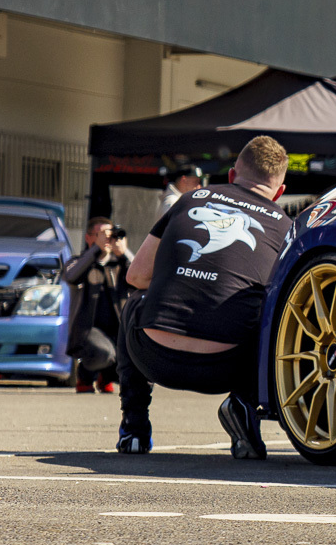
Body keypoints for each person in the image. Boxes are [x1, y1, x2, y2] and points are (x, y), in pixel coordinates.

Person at [116, 137, 291, 459]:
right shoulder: (285, 226)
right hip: (226, 367)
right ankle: (244, 404)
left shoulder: (190, 199)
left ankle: (134, 428)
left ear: (232, 175)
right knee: (276, 315)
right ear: (279, 192)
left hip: (153, 356)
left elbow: (136, 276)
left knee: (134, 301)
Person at [63, 218, 132, 393]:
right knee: (105, 353)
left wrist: (124, 253)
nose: (107, 239)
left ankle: (106, 377)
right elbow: (71, 276)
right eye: (101, 234)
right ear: (88, 237)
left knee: (134, 357)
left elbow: (142, 278)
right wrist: (96, 250)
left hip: (117, 329)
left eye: (111, 235)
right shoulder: (78, 261)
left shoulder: (119, 264)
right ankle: (86, 376)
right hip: (86, 330)